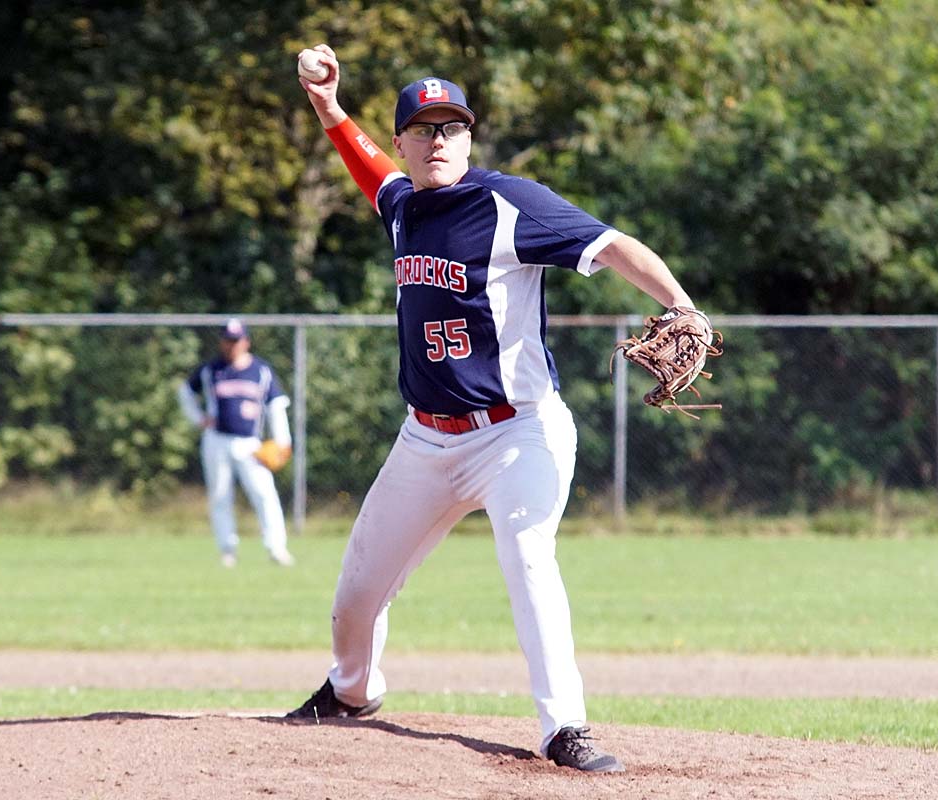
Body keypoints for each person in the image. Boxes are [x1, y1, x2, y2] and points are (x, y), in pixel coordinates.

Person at [287, 45, 701, 774]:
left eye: (453, 127)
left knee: (528, 558)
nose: (439, 140)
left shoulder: (510, 203)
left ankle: (563, 726)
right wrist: (326, 105)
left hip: (518, 435)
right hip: (425, 441)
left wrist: (680, 303)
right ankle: (353, 692)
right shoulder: (402, 207)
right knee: (356, 598)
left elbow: (612, 246)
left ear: (469, 138)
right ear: (405, 141)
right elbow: (365, 167)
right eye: (424, 128)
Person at [178, 318, 295, 568]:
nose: (231, 346)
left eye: (236, 340)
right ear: (222, 342)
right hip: (216, 440)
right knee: (220, 496)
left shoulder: (260, 371)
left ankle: (277, 548)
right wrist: (198, 418)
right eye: (227, 340)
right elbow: (185, 392)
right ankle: (227, 549)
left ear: (246, 342)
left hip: (250, 444)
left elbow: (276, 406)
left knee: (264, 494)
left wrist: (283, 440)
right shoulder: (211, 370)